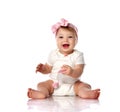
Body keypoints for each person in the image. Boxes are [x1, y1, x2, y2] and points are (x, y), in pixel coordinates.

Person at [27, 18, 100, 99]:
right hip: (54, 84)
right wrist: (42, 69)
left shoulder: (78, 55)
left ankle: (86, 93)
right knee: (42, 85)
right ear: (56, 40)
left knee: (84, 85)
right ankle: (42, 93)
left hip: (73, 84)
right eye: (61, 37)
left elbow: (79, 71)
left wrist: (72, 72)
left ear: (76, 40)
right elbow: (48, 69)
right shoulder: (53, 54)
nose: (65, 40)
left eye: (70, 37)